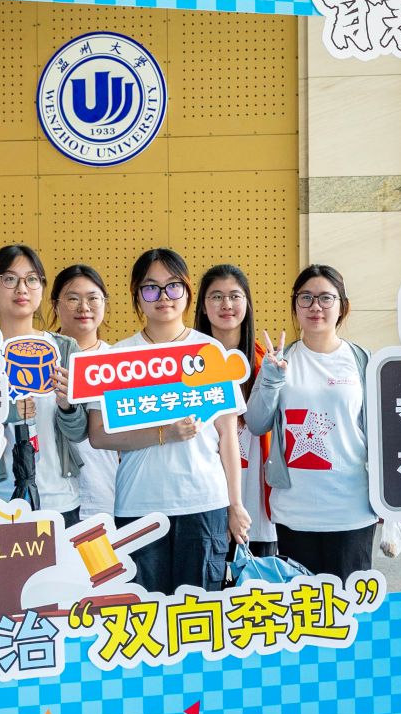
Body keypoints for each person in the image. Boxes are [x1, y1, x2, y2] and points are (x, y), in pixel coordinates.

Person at [90, 248, 248, 591]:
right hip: (139, 503)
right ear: (137, 295)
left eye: (173, 286)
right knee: (145, 611)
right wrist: (162, 433)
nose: (163, 296)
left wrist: (235, 504)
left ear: (188, 292)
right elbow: (99, 435)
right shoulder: (117, 357)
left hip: (204, 502)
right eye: (151, 288)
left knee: (199, 611)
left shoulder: (210, 352)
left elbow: (228, 437)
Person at [244, 265, 383, 579]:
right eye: (305, 298)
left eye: (325, 298)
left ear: (342, 306)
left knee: (348, 604)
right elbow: (256, 423)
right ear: (295, 306)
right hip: (295, 511)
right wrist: (271, 379)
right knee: (301, 607)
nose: (315, 306)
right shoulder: (280, 361)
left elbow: (382, 431)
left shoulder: (363, 361)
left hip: (352, 509)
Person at [0, 245, 88, 517]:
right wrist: (4, 412)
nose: (22, 289)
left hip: (57, 498)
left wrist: (68, 407)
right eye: (9, 279)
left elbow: (80, 432)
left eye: (32, 279)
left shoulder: (64, 349)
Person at [195, 263, 278, 556]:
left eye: (234, 296)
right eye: (216, 296)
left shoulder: (267, 362)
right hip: (204, 502)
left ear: (247, 304)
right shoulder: (186, 367)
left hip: (257, 510)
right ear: (203, 306)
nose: (226, 304)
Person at [53, 263, 118, 523]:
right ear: (55, 305)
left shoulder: (118, 362)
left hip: (106, 494)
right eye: (72, 299)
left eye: (93, 298)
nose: (84, 307)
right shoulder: (41, 358)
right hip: (51, 496)